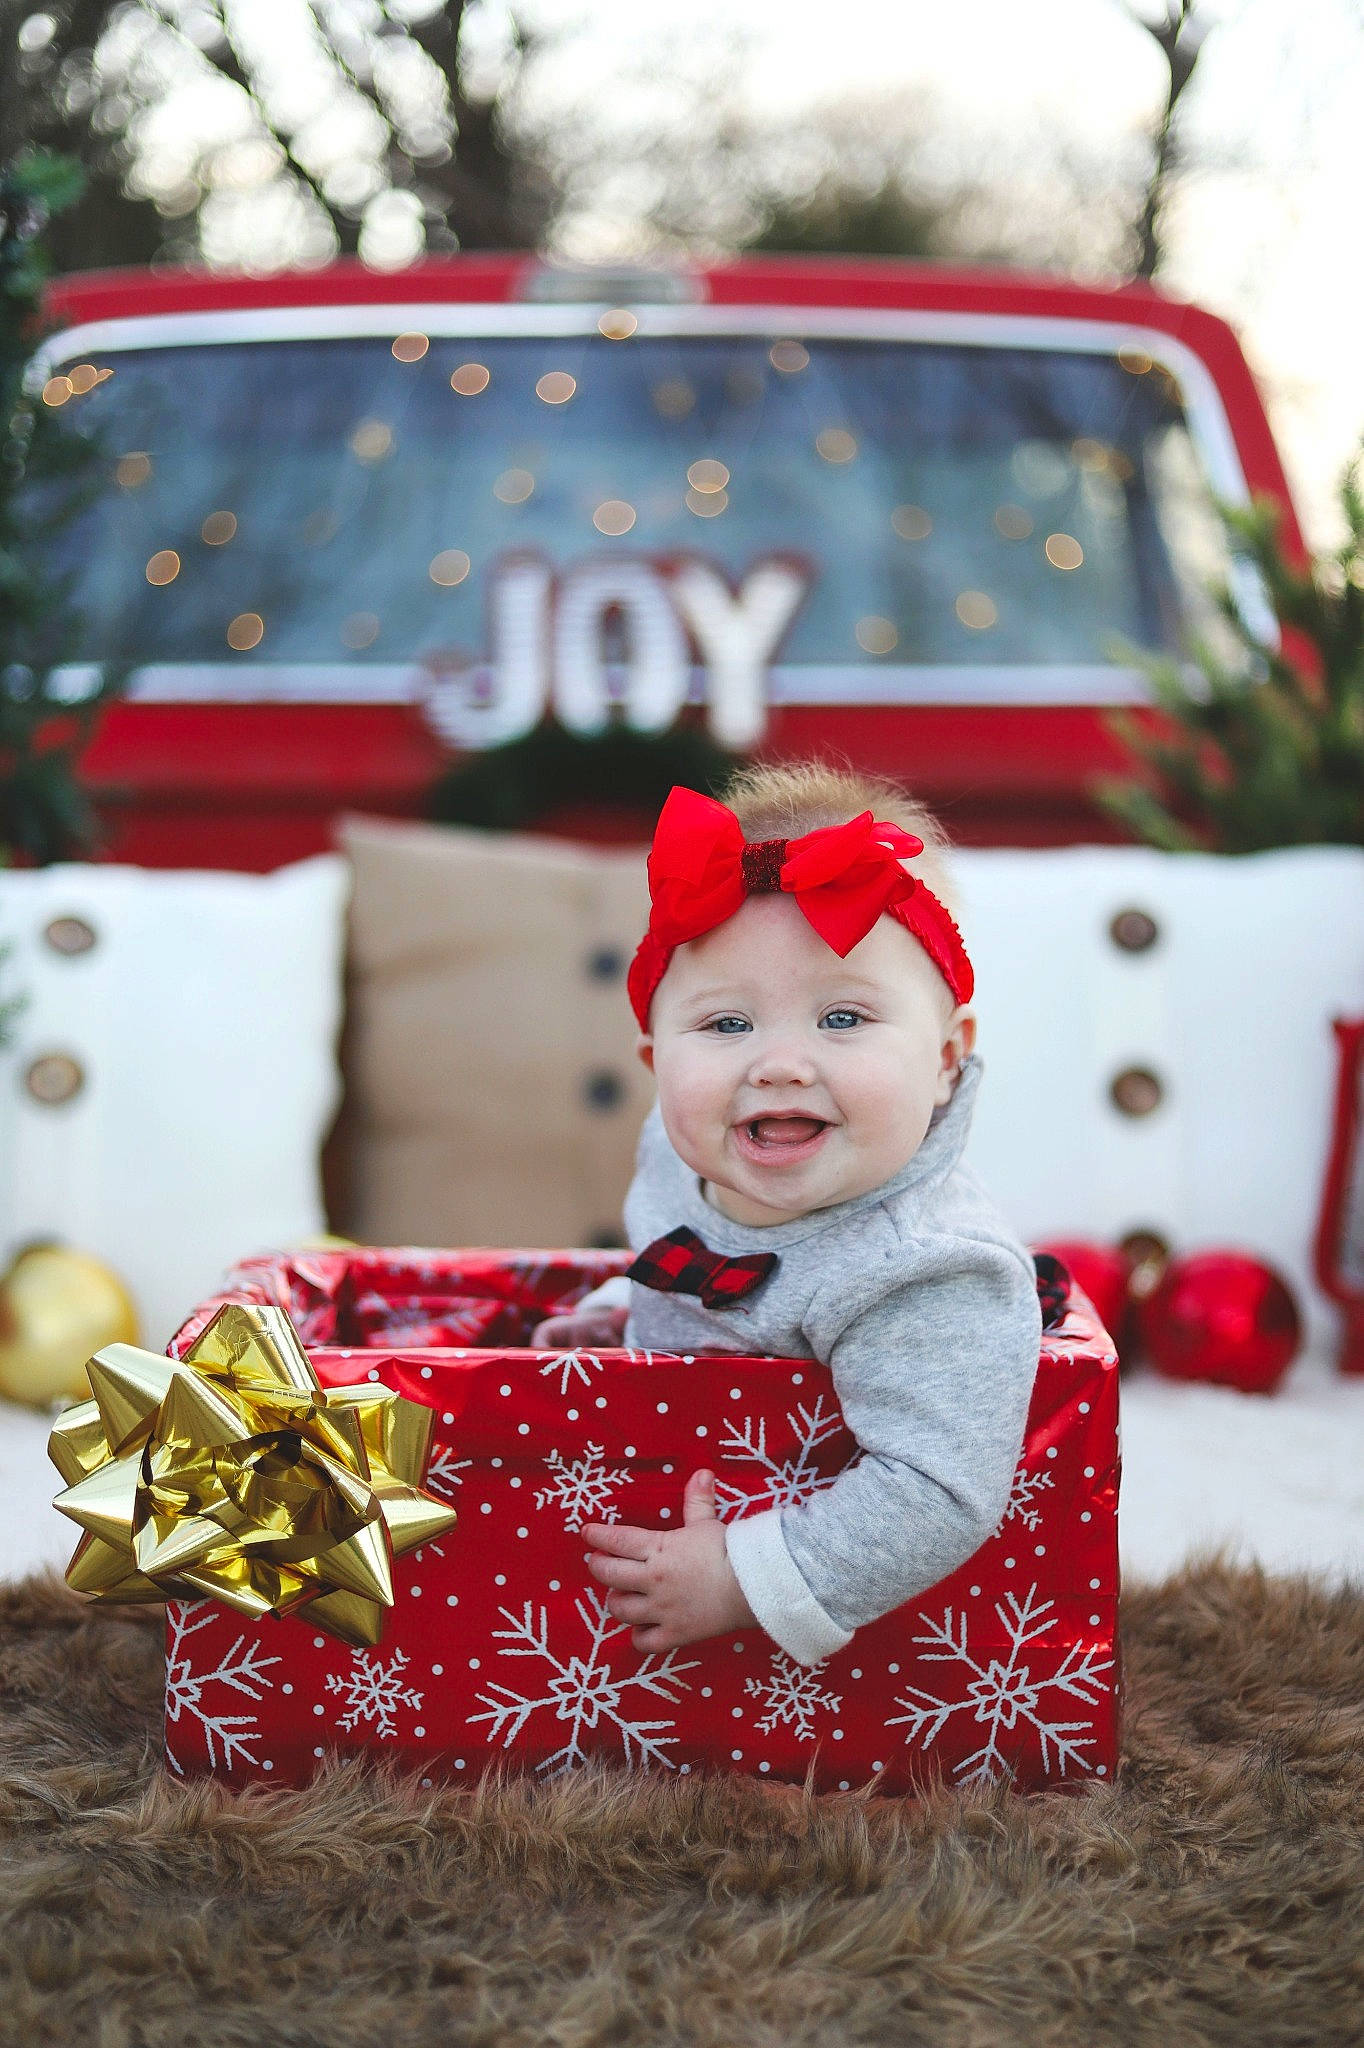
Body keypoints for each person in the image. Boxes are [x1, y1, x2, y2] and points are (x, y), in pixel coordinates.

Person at [532, 762, 1042, 1668]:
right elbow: (700, 1269)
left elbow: (936, 1492)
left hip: (863, 1661)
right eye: (726, 1026)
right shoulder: (676, 1148)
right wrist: (631, 1316)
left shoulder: (927, 1271)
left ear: (945, 1061)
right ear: (655, 1056)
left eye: (842, 1017)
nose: (779, 1064)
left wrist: (740, 1579)